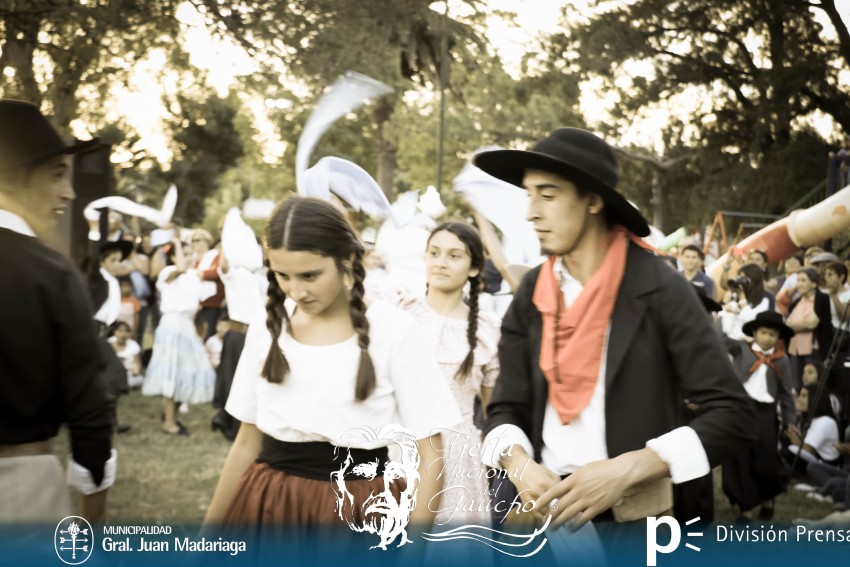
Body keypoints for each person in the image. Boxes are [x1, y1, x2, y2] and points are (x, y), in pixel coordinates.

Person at [472, 128, 755, 536]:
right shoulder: (533, 291)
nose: (530, 212)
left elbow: (734, 416)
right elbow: (503, 408)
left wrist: (627, 469)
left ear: (593, 200)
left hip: (637, 523)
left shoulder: (659, 288)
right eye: (529, 195)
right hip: (546, 519)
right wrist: (518, 464)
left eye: (547, 194)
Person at [204, 196, 462, 538]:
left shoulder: (395, 330)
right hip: (270, 504)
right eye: (282, 275)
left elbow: (430, 453)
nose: (296, 291)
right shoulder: (266, 327)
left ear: (348, 259)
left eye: (310, 275)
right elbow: (246, 443)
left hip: (358, 509)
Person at [0, 99, 114, 523]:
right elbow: (90, 406)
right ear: (12, 177)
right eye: (56, 174)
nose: (69, 191)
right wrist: (94, 523)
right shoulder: (51, 274)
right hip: (18, 488)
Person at [394, 221, 501, 527]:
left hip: (460, 458)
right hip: (401, 450)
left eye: (454, 256)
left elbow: (493, 412)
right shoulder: (402, 313)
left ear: (473, 268)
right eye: (434, 253)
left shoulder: (486, 331)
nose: (441, 262)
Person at [722, 311, 796, 522]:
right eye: (763, 333)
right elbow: (718, 339)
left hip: (766, 412)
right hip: (741, 409)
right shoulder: (741, 349)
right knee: (740, 458)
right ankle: (745, 507)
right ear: (755, 332)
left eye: (772, 334)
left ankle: (767, 499)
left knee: (766, 459)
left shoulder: (782, 360)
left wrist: (790, 421)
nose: (767, 338)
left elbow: (786, 393)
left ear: (778, 337)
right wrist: (727, 317)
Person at [142, 237, 216, 435]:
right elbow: (180, 269)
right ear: (174, 256)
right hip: (172, 326)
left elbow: (196, 306)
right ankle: (169, 422)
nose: (189, 257)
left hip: (187, 326)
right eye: (183, 254)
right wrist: (175, 242)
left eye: (190, 253)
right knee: (172, 374)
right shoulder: (168, 273)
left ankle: (172, 416)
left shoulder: (193, 276)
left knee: (188, 372)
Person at [786, 268, 834, 392]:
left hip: (813, 348)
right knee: (795, 383)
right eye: (798, 280)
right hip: (795, 348)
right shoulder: (796, 302)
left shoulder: (821, 298)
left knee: (813, 384)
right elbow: (787, 323)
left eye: (803, 280)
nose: (799, 284)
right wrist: (800, 324)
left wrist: (795, 325)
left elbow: (812, 323)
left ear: (813, 284)